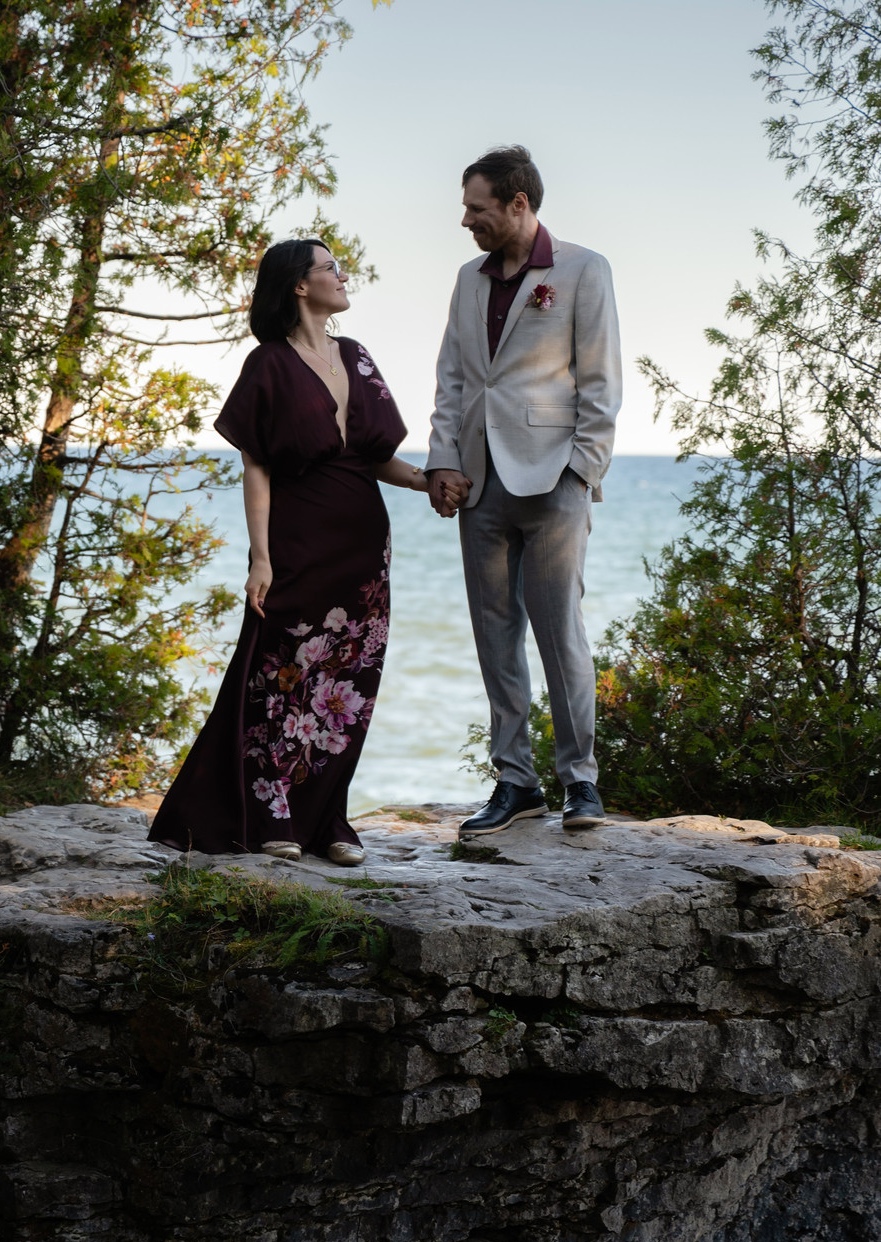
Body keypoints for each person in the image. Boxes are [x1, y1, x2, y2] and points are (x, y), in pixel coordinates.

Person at [149, 239, 456, 866]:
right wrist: (259, 558)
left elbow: (373, 457)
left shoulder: (356, 356)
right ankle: (271, 814)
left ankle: (329, 818)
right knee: (280, 676)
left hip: (363, 550)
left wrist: (428, 480)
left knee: (347, 683)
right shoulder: (268, 364)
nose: (341, 277)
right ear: (298, 284)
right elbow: (256, 466)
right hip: (298, 541)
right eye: (329, 268)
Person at [427, 146, 622, 833]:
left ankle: (581, 783)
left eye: (476, 208)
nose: (465, 221)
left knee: (558, 632)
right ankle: (516, 782)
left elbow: (601, 384)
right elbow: (454, 378)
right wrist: (441, 461)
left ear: (517, 203)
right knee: (494, 636)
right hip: (477, 483)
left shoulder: (582, 270)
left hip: (553, 480)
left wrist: (582, 470)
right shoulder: (467, 279)